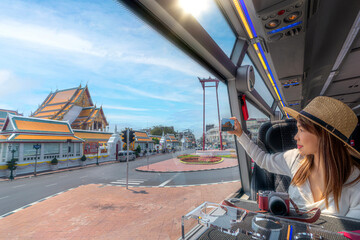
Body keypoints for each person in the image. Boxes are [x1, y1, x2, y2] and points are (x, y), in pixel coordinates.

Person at [229, 96, 360, 219]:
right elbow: (263, 160)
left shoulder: (354, 181)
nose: (295, 137)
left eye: (301, 130)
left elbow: (351, 233)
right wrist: (240, 134)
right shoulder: (295, 159)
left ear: (324, 136)